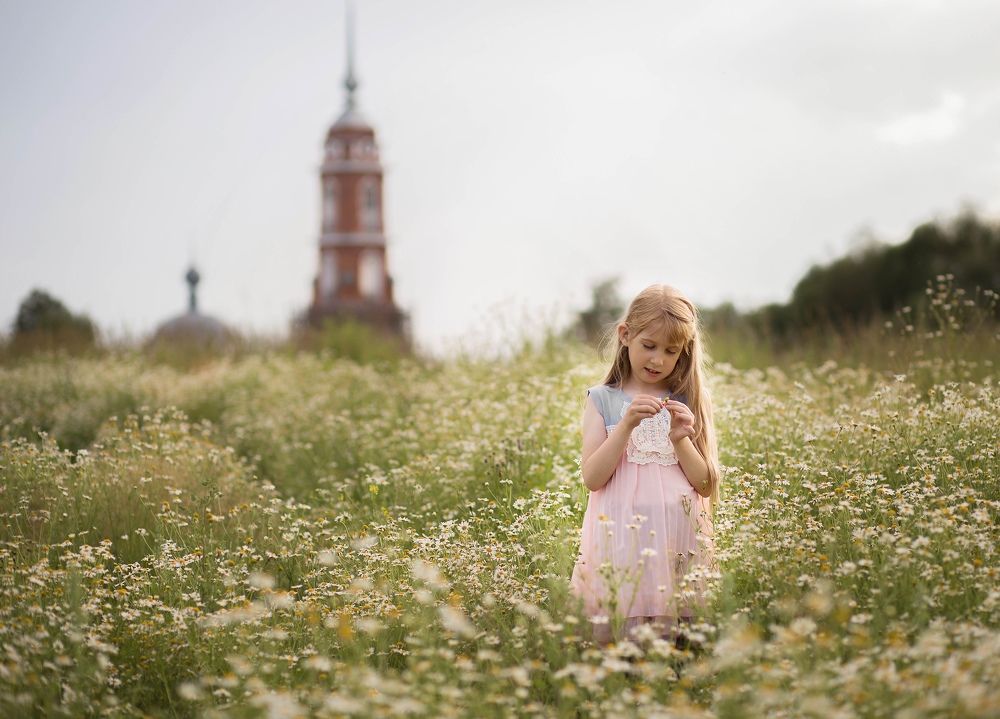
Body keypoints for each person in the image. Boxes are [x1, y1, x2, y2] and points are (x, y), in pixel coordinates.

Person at [569, 284, 721, 646]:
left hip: (677, 539)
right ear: (625, 336)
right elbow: (592, 478)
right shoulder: (602, 400)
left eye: (671, 351)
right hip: (622, 540)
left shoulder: (685, 398)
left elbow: (704, 485)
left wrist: (680, 438)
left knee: (678, 643)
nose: (657, 360)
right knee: (622, 638)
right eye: (649, 346)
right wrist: (624, 426)